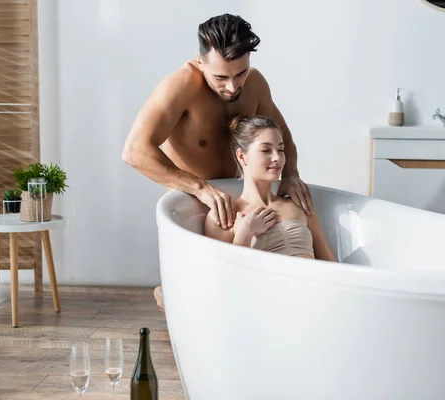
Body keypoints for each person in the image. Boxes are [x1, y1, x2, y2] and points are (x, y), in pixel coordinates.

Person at [122, 14, 313, 312]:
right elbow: (134, 151)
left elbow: (281, 132)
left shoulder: (256, 84)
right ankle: (168, 294)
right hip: (194, 201)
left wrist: (292, 173)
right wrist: (200, 188)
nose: (233, 87)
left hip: (239, 202)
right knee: (196, 298)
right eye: (221, 78)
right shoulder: (181, 86)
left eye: (240, 74)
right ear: (201, 62)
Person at [205, 115, 337, 263]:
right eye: (266, 150)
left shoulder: (298, 204)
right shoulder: (225, 216)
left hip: (315, 284)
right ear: (242, 157)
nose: (277, 158)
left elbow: (333, 265)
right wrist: (245, 234)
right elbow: (224, 278)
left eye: (280, 150)